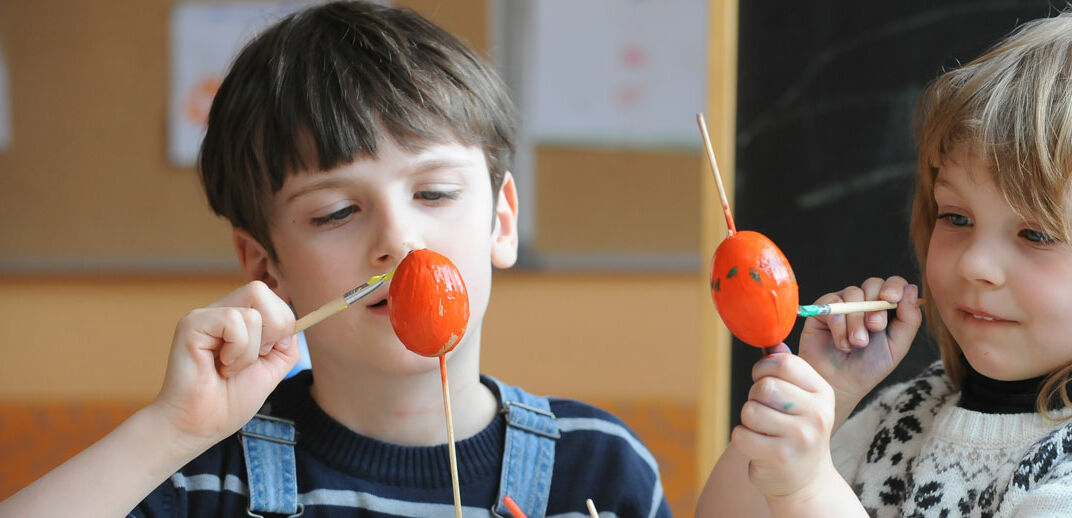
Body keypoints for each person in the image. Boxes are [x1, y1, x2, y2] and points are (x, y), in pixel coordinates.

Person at [0, 2, 670, 517]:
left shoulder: (598, 469)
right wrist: (168, 431)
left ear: (501, 219)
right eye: (335, 214)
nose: (401, 241)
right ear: (265, 267)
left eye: (434, 192)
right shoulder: (203, 476)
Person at [697, 4, 1072, 517]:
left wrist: (806, 490)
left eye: (1036, 233)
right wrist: (823, 392)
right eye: (956, 218)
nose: (976, 263)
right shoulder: (910, 414)